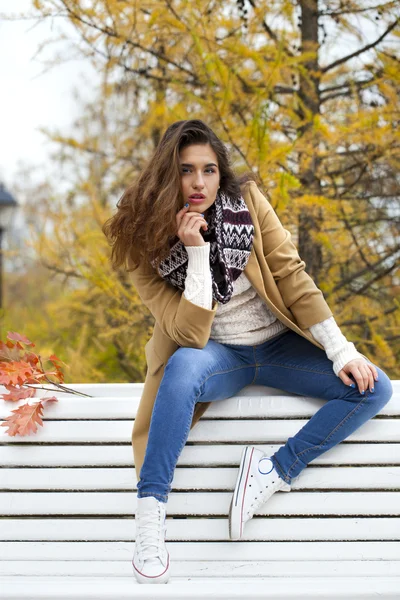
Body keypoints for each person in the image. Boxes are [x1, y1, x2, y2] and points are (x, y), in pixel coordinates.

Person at [102, 119, 393, 585]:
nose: (199, 183)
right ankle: (150, 518)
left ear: (222, 173)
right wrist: (196, 252)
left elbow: (294, 277)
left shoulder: (249, 206)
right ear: (166, 175)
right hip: (218, 355)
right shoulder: (145, 246)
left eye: (209, 170)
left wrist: (342, 351)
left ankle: (271, 471)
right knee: (181, 368)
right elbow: (191, 334)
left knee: (374, 388)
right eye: (186, 170)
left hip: (278, 346)